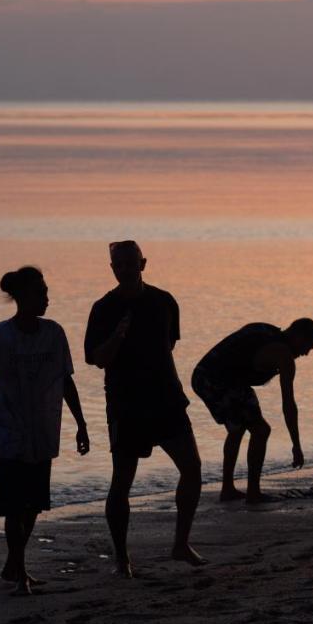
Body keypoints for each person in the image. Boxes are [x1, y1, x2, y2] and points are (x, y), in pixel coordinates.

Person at [0, 266, 89, 595]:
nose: (47, 298)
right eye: (40, 292)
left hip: (43, 433)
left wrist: (82, 424)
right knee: (14, 507)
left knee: (33, 506)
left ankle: (13, 565)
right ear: (22, 297)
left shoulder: (54, 334)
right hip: (7, 436)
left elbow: (65, 381)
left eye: (46, 291)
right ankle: (20, 573)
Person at [84, 240, 204, 576]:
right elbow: (96, 359)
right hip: (126, 404)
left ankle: (181, 544)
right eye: (117, 265)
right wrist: (119, 336)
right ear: (111, 269)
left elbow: (169, 345)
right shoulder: (103, 307)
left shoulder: (164, 301)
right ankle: (122, 560)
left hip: (166, 398)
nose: (124, 269)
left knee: (192, 469)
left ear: (143, 263)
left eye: (129, 263)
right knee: (122, 481)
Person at [191, 318, 313, 503]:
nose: (306, 353)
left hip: (221, 378)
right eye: (308, 346)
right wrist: (296, 446)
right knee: (260, 430)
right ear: (298, 336)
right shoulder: (283, 355)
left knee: (239, 428)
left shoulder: (269, 331)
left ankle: (228, 489)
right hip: (212, 379)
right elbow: (288, 404)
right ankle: (252, 492)